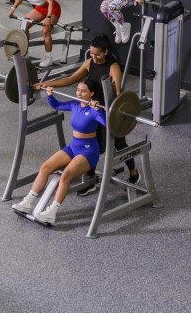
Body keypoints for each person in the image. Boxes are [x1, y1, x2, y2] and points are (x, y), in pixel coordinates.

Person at [42, 34, 140, 194]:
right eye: (92, 53)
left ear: (106, 52)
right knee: (92, 142)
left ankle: (134, 173)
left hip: (106, 111)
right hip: (91, 111)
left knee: (119, 144)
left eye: (97, 54)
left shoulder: (113, 67)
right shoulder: (89, 63)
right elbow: (70, 79)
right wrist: (47, 84)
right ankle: (90, 179)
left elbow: (117, 93)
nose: (94, 57)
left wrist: (110, 110)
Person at [10, 81, 105, 226]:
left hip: (88, 151)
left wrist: (99, 110)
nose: (79, 93)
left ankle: (52, 212)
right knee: (46, 167)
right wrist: (50, 95)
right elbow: (57, 106)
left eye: (83, 91)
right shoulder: (75, 104)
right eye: (78, 90)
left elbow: (109, 124)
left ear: (91, 94)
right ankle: (28, 201)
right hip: (73, 147)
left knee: (66, 175)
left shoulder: (94, 110)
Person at [8, 0, 61, 68]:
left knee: (45, 30)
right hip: (40, 9)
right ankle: (25, 52)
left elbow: (50, 2)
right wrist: (12, 9)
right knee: (24, 26)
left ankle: (48, 58)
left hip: (53, 8)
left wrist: (48, 17)